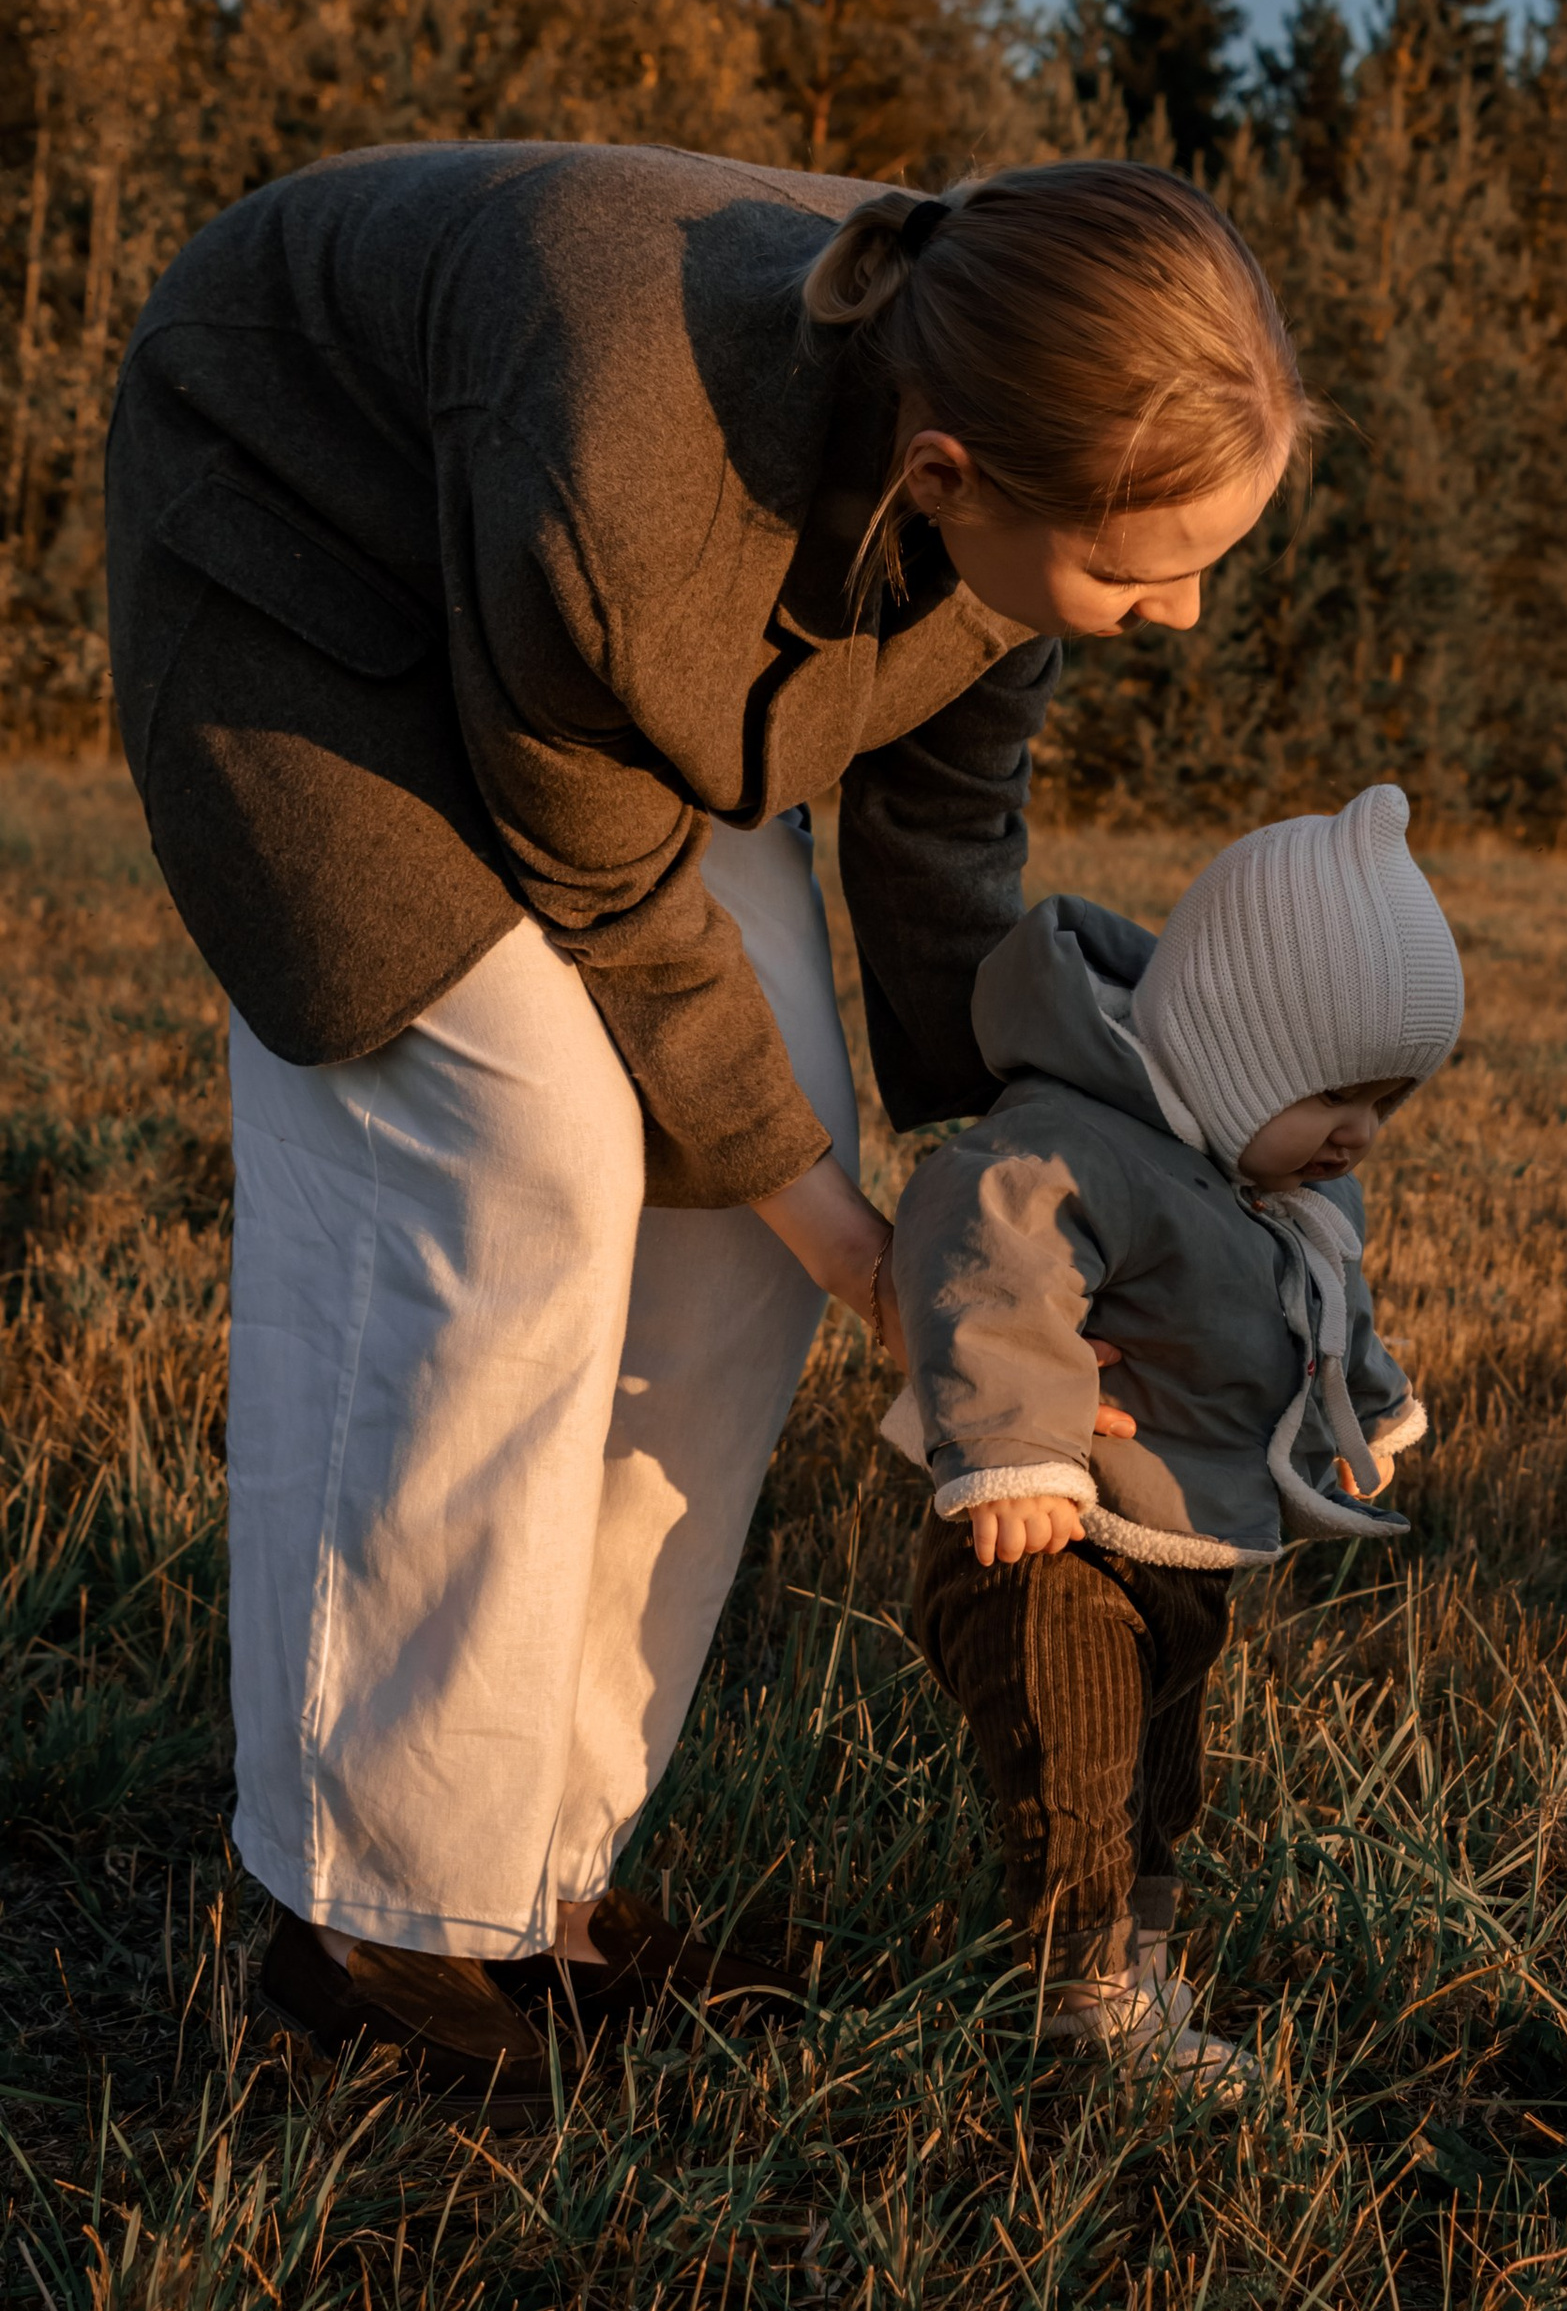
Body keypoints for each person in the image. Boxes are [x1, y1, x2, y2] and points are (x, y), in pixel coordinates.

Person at [105, 145, 1313, 2126]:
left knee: (761, 1192)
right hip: (304, 562)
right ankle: (370, 1940)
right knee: (518, 1155)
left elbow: (935, 840)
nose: (1173, 616)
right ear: (944, 480)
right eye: (1137, 571)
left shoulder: (1014, 432)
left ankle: (533, 1886)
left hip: (549, 627)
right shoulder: (628, 487)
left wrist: (990, 1215)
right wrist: (866, 1261)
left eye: (1204, 558)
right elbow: (610, 899)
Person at [883, 784, 1463, 2086]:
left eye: (1390, 1098)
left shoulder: (1283, 1191)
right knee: (1074, 1771)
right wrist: (1019, 1456)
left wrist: (1360, 1409)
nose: (1363, 1130)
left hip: (1179, 1545)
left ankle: (1132, 1959)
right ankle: (1083, 2005)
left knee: (1159, 1776)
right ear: (1235, 1046)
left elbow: (1327, 1312)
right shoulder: (1076, 1145)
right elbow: (985, 1259)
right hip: (1052, 1540)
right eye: (1337, 1092)